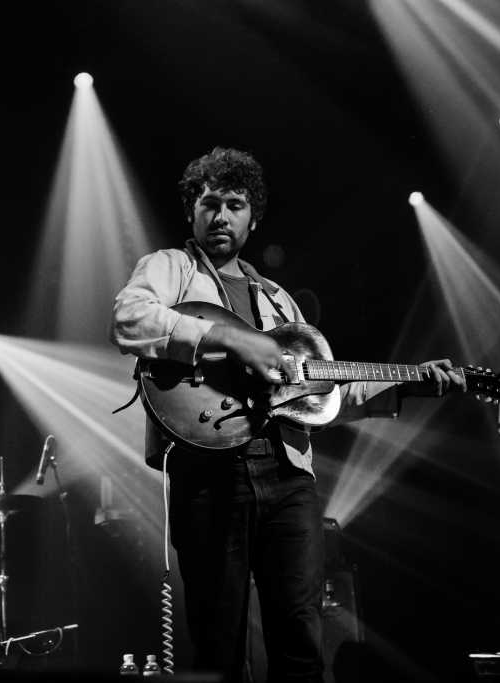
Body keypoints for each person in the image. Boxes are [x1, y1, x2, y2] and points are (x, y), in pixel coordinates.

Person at [109, 147, 465, 681]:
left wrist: (408, 384)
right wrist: (230, 340)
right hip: (207, 472)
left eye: (235, 205)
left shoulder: (279, 303)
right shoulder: (170, 267)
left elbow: (323, 394)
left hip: (288, 475)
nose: (221, 217)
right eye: (209, 204)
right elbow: (129, 320)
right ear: (192, 212)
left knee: (300, 636)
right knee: (219, 641)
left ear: (253, 218)